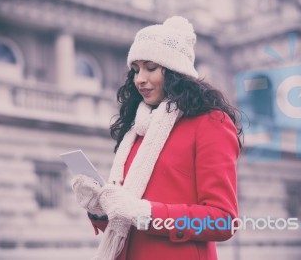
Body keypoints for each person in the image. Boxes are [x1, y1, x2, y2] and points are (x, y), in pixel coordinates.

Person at [71, 16, 242, 260]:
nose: (140, 78)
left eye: (150, 68)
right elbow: (124, 218)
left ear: (175, 71)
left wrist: (145, 213)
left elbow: (223, 221)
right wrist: (99, 208)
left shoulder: (211, 123)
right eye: (135, 69)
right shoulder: (136, 130)